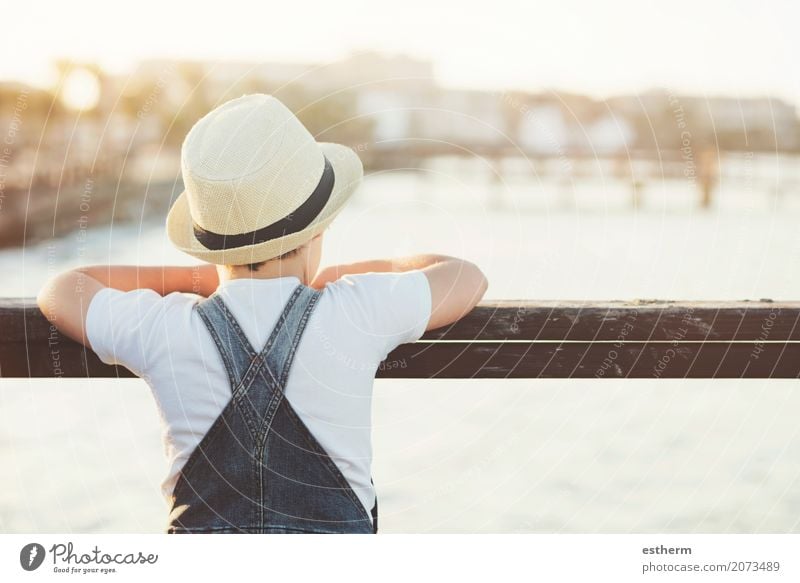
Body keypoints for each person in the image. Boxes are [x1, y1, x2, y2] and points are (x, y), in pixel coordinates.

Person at [37, 94, 488, 534]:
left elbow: (63, 290)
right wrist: (349, 273)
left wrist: (202, 281)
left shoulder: (166, 326)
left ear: (211, 246)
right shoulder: (357, 309)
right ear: (319, 229)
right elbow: (465, 277)